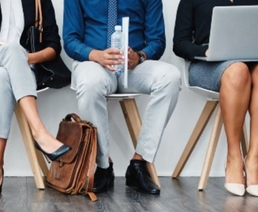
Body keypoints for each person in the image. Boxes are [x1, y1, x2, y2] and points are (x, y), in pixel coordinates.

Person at [63, 0, 181, 195]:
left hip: (133, 66)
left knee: (170, 77)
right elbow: (70, 40)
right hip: (95, 62)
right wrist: (95, 55)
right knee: (90, 83)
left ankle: (139, 162)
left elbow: (157, 41)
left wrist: (141, 56)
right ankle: (103, 165)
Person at [0, 0, 71, 195]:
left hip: (18, 70)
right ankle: (39, 132)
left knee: (2, 75)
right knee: (12, 50)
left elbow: (53, 46)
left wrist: (25, 58)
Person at [173, 0, 258, 197]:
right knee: (237, 70)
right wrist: (205, 51)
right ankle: (233, 157)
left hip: (250, 61)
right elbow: (179, 43)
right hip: (207, 65)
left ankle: (254, 159)